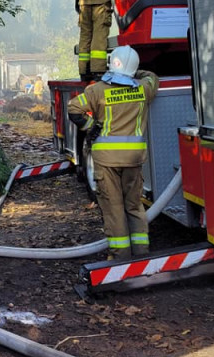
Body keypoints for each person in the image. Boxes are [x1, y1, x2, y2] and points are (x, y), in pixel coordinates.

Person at [67, 45, 158, 261]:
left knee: (114, 209)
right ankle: (141, 255)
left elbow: (73, 108)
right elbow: (153, 77)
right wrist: (137, 73)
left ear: (112, 63)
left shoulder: (96, 90)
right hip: (133, 160)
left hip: (106, 161)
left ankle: (120, 257)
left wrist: (90, 126)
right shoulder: (143, 89)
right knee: (134, 207)